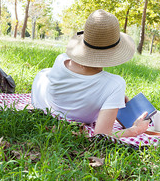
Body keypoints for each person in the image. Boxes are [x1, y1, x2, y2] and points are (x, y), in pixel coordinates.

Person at [31, 9, 149, 137]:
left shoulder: (61, 59)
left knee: (44, 74)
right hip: (75, 114)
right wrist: (135, 130)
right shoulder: (115, 84)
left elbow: (81, 84)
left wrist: (114, 98)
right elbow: (102, 134)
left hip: (43, 100)